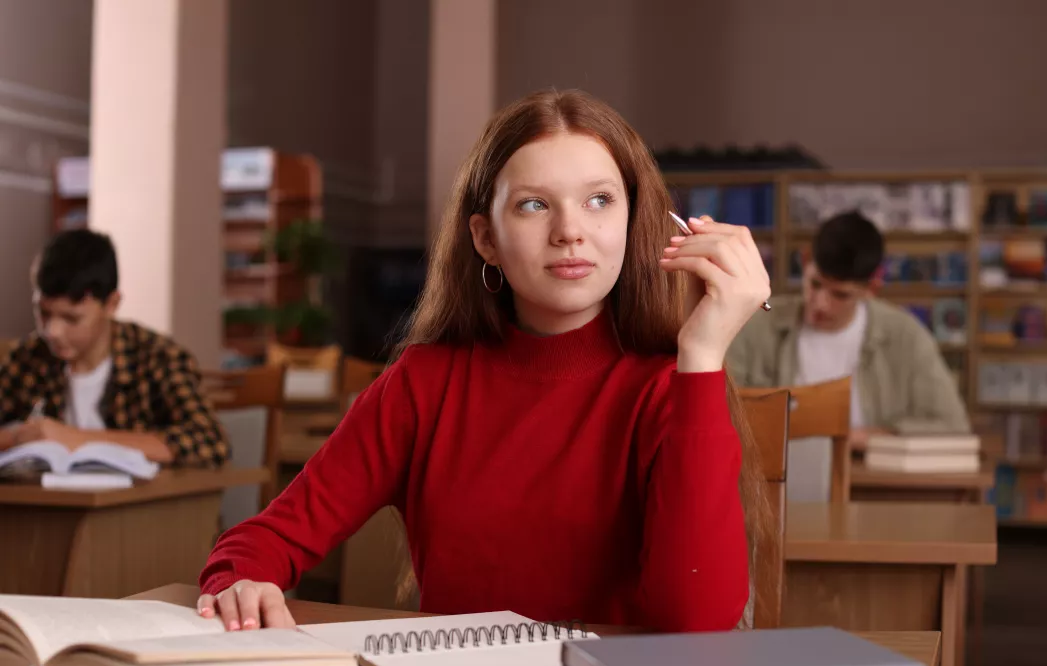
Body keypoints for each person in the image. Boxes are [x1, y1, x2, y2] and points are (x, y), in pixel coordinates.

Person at [196, 89, 774, 633]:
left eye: (599, 200)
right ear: (485, 238)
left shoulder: (669, 386)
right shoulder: (424, 382)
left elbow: (696, 626)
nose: (570, 231)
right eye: (532, 205)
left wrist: (700, 356)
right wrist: (241, 582)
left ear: (632, 221)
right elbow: (265, 539)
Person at [726, 210, 970, 451]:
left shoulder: (906, 336)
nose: (820, 303)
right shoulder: (758, 323)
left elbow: (953, 425)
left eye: (840, 295)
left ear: (872, 288)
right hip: (773, 479)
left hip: (870, 481)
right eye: (815, 284)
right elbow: (720, 411)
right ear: (805, 259)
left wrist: (862, 439)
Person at [0, 229, 230, 466]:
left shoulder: (157, 357)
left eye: (72, 319)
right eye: (44, 313)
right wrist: (16, 436)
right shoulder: (29, 356)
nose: (52, 331)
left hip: (137, 502)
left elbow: (210, 442)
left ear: (112, 304)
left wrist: (76, 439)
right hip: (49, 501)